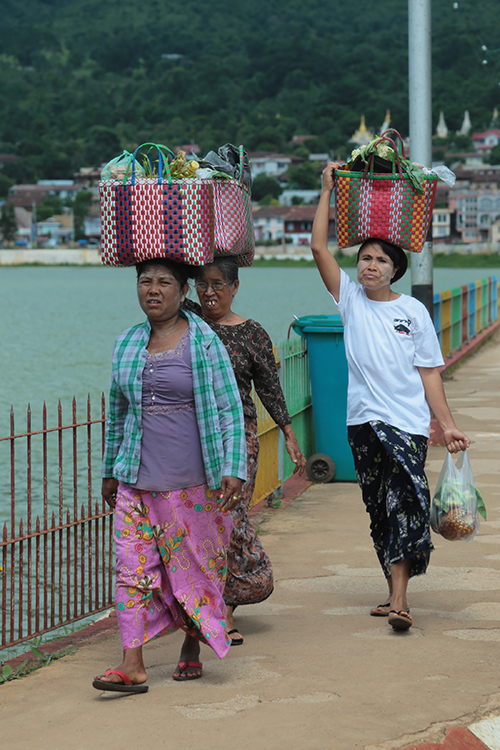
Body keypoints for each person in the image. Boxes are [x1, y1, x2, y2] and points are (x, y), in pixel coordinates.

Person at [310, 162, 470, 631]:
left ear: (395, 270)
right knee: (378, 506)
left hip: (407, 424)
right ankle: (392, 589)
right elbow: (319, 247)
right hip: (362, 422)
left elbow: (430, 374)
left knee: (407, 499)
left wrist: (447, 422)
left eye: (380, 260)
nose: (370, 265)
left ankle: (400, 600)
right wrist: (325, 191)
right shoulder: (350, 300)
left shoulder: (414, 312)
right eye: (365, 258)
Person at [92, 258, 247, 693]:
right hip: (136, 483)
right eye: (145, 282)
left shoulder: (204, 342)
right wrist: (109, 472)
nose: (153, 290)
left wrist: (234, 466)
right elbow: (118, 414)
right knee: (131, 570)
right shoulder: (126, 344)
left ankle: (191, 646)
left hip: (195, 483)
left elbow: (229, 407)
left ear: (183, 292)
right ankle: (132, 663)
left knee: (196, 570)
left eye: (164, 283)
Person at [183, 256, 306, 645]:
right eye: (202, 284)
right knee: (197, 522)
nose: (209, 291)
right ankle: (199, 605)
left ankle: (224, 610)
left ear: (235, 287)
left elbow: (269, 387)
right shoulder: (188, 322)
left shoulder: (252, 333)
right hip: (194, 437)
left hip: (240, 439)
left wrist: (288, 432)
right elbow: (164, 281)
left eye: (218, 284)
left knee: (231, 520)